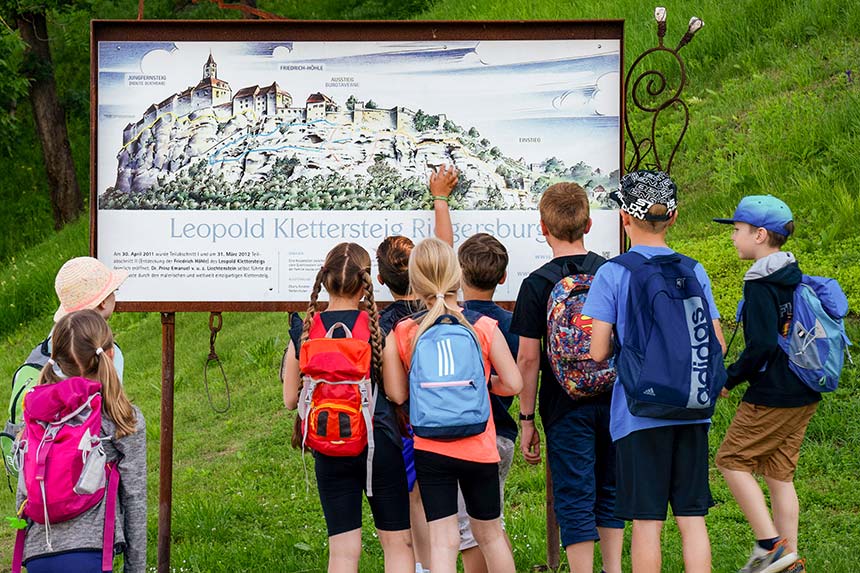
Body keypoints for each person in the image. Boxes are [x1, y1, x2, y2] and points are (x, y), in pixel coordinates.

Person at [583, 170, 726, 573]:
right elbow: (717, 342)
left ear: (624, 218)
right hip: (693, 407)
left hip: (639, 414)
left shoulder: (614, 273)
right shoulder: (695, 270)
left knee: (647, 523)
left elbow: (596, 352)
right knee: (692, 518)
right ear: (675, 217)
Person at [383, 238, 522, 573]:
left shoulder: (404, 331)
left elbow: (397, 395)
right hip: (480, 446)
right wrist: (487, 383)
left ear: (414, 283)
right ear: (458, 278)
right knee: (489, 535)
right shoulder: (483, 327)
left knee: (443, 539)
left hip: (431, 448)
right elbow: (515, 383)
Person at [510, 183, 623, 573]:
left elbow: (527, 359)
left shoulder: (536, 284)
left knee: (574, 494)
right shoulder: (611, 273)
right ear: (589, 223)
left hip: (563, 406)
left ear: (543, 227)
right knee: (609, 489)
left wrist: (526, 420)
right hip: (613, 400)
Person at [281, 243, 413, 573]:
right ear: (365, 281)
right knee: (397, 544)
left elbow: (289, 400)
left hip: (329, 443)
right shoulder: (378, 329)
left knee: (342, 551)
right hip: (378, 442)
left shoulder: (306, 330)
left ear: (325, 280)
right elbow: (397, 395)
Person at [713, 196, 815, 573]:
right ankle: (791, 561)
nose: (733, 238)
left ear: (759, 235)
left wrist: (732, 378)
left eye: (737, 230)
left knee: (731, 461)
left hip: (773, 393)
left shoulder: (759, 280)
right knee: (779, 474)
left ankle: (770, 547)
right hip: (804, 387)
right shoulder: (790, 271)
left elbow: (763, 345)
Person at [15, 309, 146, 573]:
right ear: (110, 355)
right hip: (91, 554)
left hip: (38, 555)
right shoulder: (121, 418)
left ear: (56, 362)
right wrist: (136, 568)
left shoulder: (37, 414)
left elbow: (23, 496)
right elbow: (135, 499)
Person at [375, 164, 457, 573]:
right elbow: (445, 249)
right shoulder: (439, 306)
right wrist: (440, 198)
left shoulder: (385, 322)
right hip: (447, 412)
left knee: (415, 498)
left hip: (405, 423)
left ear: (378, 279)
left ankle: (424, 565)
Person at [456, 232, 519, 572]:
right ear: (503, 277)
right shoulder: (510, 324)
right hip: (503, 434)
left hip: (470, 437)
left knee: (472, 531)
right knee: (491, 523)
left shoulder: (453, 321)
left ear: (459, 274)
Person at [27, 257, 128, 380]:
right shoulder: (104, 350)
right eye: (114, 291)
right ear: (103, 302)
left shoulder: (50, 344)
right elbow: (112, 396)